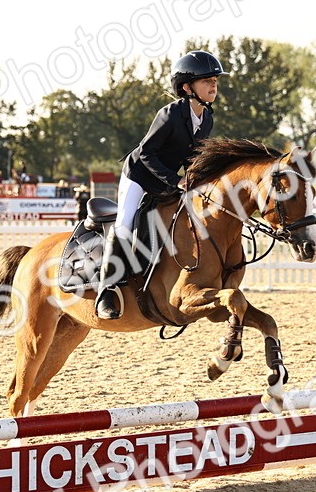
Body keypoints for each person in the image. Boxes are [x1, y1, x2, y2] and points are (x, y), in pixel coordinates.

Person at [94, 49, 228, 319]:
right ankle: (106, 290)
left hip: (168, 179)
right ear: (187, 87)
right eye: (206, 80)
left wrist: (195, 180)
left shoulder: (207, 118)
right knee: (125, 223)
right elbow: (146, 154)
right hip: (140, 176)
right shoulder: (170, 114)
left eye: (215, 80)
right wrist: (176, 180)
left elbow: (193, 157)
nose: (213, 84)